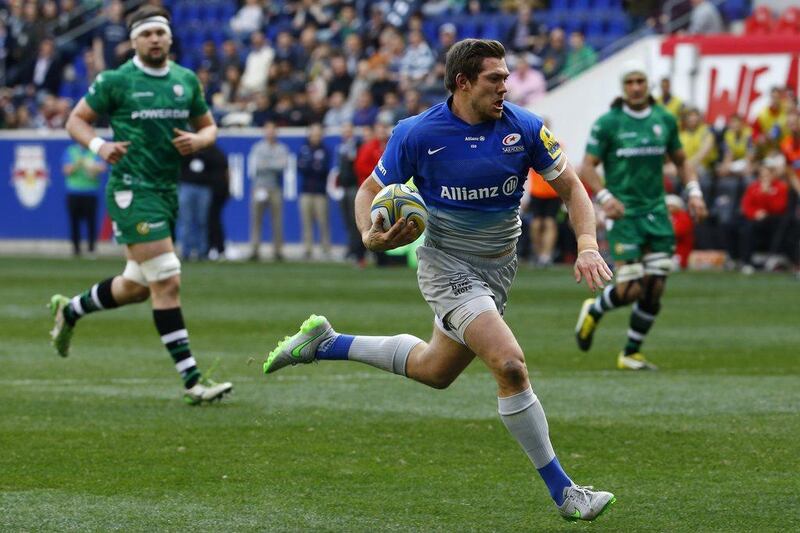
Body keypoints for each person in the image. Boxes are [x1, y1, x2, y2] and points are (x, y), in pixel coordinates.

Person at [262, 39, 616, 522]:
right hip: (447, 266)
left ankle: (326, 343)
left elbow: (572, 188)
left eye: (507, 77)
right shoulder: (417, 133)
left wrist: (589, 244)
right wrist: (370, 234)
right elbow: (369, 190)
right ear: (463, 82)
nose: (505, 87)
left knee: (435, 371)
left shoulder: (525, 127)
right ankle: (566, 493)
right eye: (495, 79)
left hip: (498, 269)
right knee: (510, 365)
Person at [50, 5, 232, 405]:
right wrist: (100, 145)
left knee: (135, 287)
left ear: (169, 38)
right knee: (167, 278)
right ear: (133, 40)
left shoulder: (185, 80)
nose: (154, 39)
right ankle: (193, 381)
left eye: (160, 33)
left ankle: (71, 310)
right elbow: (75, 121)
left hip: (167, 190)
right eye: (146, 34)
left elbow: (209, 126)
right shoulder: (116, 80)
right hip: (132, 189)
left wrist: (201, 141)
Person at [574, 60, 708, 371]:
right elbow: (587, 167)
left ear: (648, 85)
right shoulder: (608, 123)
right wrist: (606, 197)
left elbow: (682, 160)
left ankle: (630, 353)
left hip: (657, 212)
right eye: (630, 82)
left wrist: (695, 192)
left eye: (640, 81)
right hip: (625, 214)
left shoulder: (664, 119)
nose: (635, 87)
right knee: (631, 289)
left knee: (657, 285)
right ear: (623, 88)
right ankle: (594, 310)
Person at [247, 121, 289, 261]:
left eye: (273, 130)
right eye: (268, 130)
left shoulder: (281, 148)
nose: (270, 133)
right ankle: (254, 249)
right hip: (259, 187)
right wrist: (272, 164)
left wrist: (268, 164)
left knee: (277, 220)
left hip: (275, 187)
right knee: (256, 220)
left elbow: (282, 166)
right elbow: (256, 166)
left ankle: (278, 251)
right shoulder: (258, 147)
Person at [178, 143, 226, 260]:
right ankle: (186, 251)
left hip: (204, 188)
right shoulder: (186, 149)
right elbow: (179, 163)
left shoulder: (211, 151)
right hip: (187, 186)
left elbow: (218, 165)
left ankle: (202, 251)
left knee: (203, 220)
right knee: (186, 220)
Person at [62, 142, 106, 257]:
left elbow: (102, 167)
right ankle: (76, 249)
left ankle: (91, 249)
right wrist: (78, 163)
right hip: (74, 192)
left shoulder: (94, 152)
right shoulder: (71, 151)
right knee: (74, 222)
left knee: (91, 222)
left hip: (90, 192)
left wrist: (91, 166)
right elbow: (66, 170)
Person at [297, 122, 332, 260]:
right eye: (313, 134)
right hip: (306, 190)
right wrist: (313, 166)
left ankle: (325, 248)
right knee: (306, 222)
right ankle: (307, 249)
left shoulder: (325, 150)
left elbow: (323, 169)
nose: (315, 137)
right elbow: (301, 167)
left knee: (323, 221)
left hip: (320, 191)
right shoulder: (304, 148)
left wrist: (311, 166)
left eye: (318, 134)